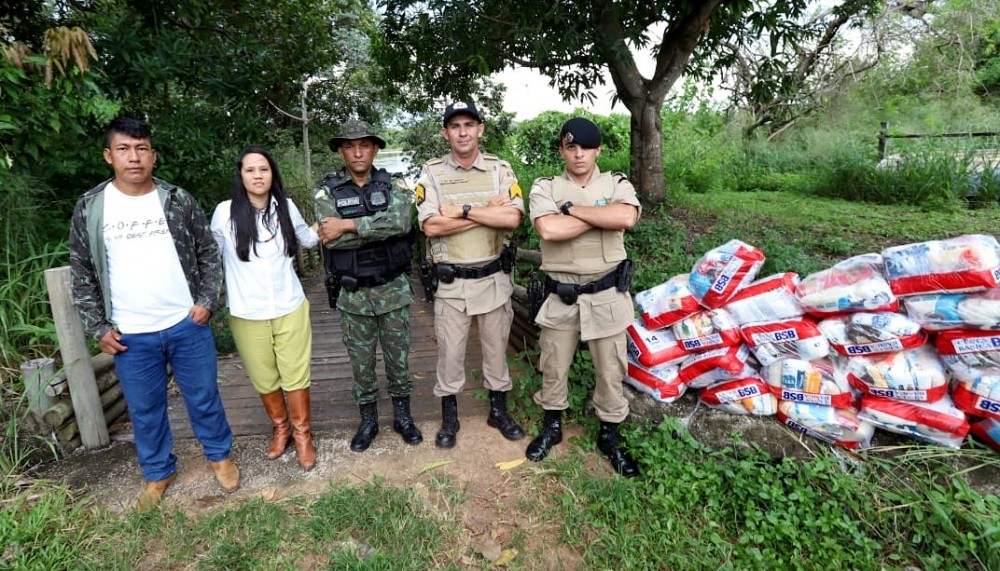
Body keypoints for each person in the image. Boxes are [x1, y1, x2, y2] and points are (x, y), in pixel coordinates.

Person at [68, 116, 239, 509]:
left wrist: (207, 301)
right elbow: (82, 271)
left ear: (153, 155)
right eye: (125, 149)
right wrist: (97, 327)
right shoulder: (91, 208)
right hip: (131, 332)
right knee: (145, 409)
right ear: (109, 155)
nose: (134, 158)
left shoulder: (176, 199)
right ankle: (159, 472)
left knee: (204, 396)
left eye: (142, 148)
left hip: (185, 322)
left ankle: (219, 455)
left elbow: (208, 254)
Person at [525, 117, 641, 477]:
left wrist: (572, 209)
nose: (579, 154)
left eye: (586, 147)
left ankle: (610, 435)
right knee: (553, 366)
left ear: (598, 151)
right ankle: (552, 426)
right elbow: (548, 228)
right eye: (571, 147)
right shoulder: (545, 187)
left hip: (606, 294)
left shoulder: (616, 182)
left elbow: (627, 216)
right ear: (561, 150)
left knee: (610, 370)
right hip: (562, 295)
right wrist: (602, 216)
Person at [415, 100, 525, 448]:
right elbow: (431, 225)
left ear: (480, 129)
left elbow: (512, 218)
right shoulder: (431, 173)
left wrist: (460, 211)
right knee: (450, 354)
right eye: (455, 126)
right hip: (451, 282)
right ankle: (450, 419)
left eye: (469, 124)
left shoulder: (499, 170)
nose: (463, 132)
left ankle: (499, 411)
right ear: (446, 133)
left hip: (493, 278)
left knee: (496, 352)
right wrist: (484, 211)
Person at [314, 119, 423, 452]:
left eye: (364, 144)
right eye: (350, 145)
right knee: (361, 363)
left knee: (398, 360)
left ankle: (403, 417)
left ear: (375, 148)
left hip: (393, 289)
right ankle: (369, 421)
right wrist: (375, 229)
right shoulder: (327, 191)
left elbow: (402, 221)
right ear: (341, 150)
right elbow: (330, 241)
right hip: (354, 294)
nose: (357, 151)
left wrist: (348, 224)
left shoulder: (396, 184)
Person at [210, 146, 320, 470]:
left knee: (296, 374)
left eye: (264, 169)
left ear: (273, 174)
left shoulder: (285, 207)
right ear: (241, 175)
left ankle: (303, 435)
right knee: (263, 376)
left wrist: (328, 224)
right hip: (247, 311)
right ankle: (281, 428)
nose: (258, 176)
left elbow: (307, 240)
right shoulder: (224, 213)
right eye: (250, 170)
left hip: (290, 304)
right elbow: (210, 257)